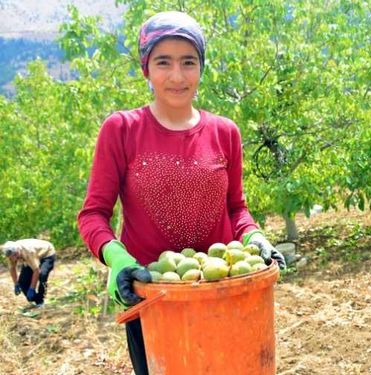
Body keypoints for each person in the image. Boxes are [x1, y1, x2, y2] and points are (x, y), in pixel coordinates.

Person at [77, 11, 285, 375]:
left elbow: (236, 208)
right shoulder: (122, 130)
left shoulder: (225, 133)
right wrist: (117, 258)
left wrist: (255, 236)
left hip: (223, 291)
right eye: (163, 62)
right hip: (157, 300)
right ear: (146, 69)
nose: (177, 76)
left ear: (201, 68)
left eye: (188, 62)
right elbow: (93, 214)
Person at [2, 239, 56, 308]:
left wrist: (32, 288)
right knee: (22, 282)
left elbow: (36, 270)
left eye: (16, 255)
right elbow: (12, 268)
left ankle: (41, 299)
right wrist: (16, 284)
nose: (15, 258)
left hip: (47, 253)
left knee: (42, 275)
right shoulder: (10, 255)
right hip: (32, 257)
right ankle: (36, 300)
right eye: (12, 257)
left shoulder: (28, 251)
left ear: (19, 249)